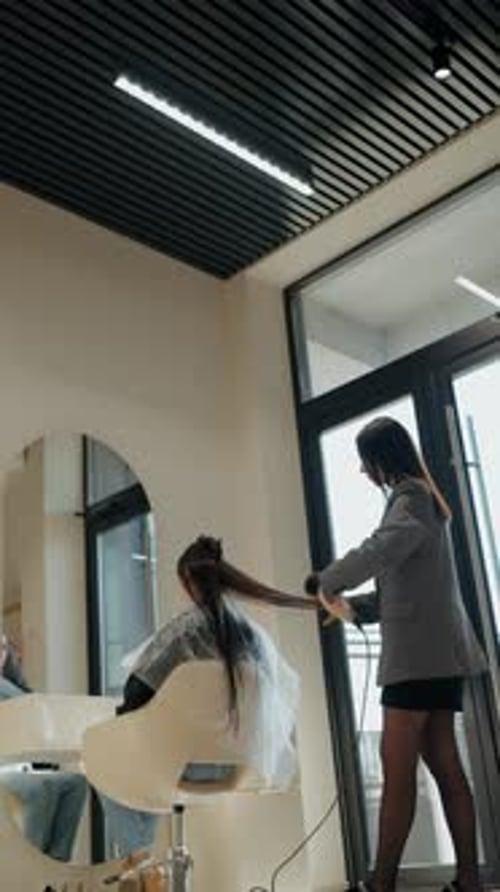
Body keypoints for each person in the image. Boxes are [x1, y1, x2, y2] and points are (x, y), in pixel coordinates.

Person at [306, 417, 486, 892]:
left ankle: (379, 884)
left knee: (398, 773)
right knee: (445, 764)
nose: (364, 473)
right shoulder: (424, 502)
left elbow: (378, 551)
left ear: (381, 459)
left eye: (365, 463)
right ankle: (468, 880)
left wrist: (326, 581)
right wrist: (350, 609)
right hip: (438, 657)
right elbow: (407, 590)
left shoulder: (410, 499)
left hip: (418, 662)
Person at [101, 534, 315, 862]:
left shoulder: (186, 631)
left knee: (103, 765)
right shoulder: (253, 637)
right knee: (151, 769)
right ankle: (151, 864)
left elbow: (136, 691)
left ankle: (145, 863)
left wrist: (128, 720)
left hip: (176, 764)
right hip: (234, 764)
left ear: (188, 581)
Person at [0, 635, 88, 862]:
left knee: (76, 783)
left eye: (2, 647)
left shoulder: (13, 687)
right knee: (41, 790)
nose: (0, 652)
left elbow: (36, 713)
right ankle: (31, 867)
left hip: (20, 764)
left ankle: (56, 862)